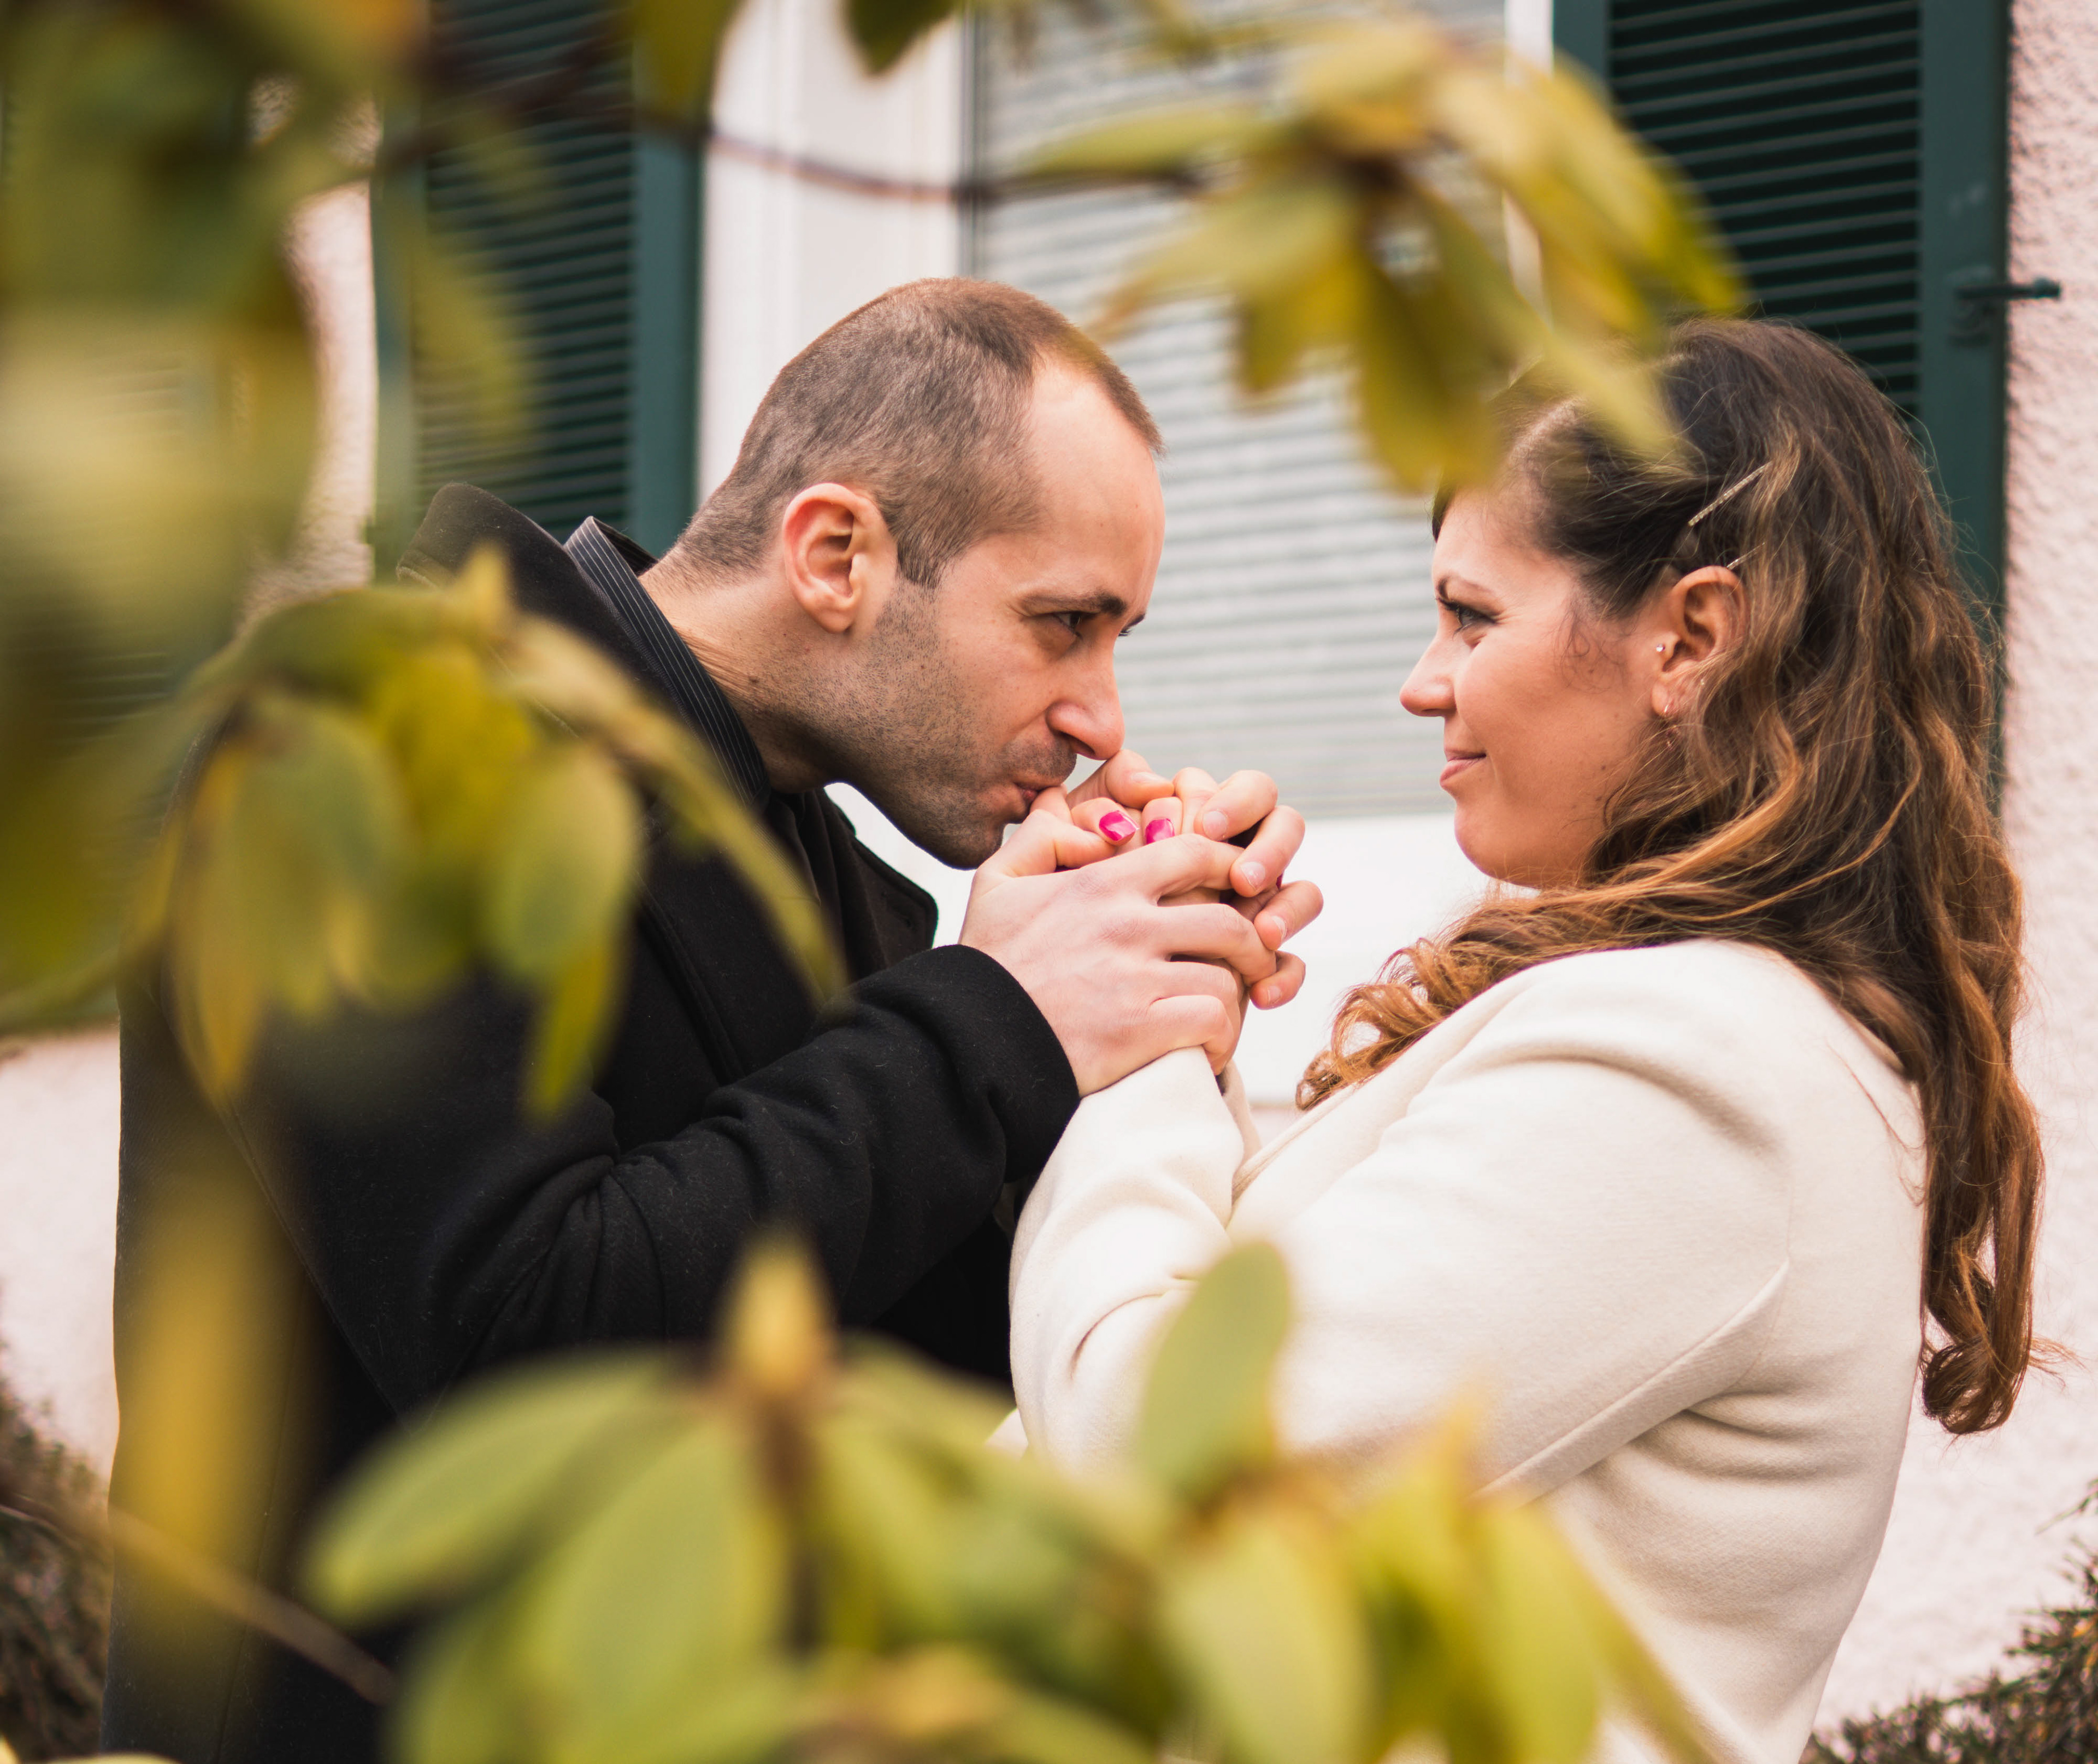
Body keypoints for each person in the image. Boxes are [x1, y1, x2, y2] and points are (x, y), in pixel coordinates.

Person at [102, 279, 1321, 1764]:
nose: (1101, 718)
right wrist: (1000, 1017)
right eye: (1062, 625)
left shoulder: (835, 874)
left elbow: (868, 1377)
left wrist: (1125, 1034)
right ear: (834, 554)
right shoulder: (367, 752)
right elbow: (517, 1343)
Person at [1005, 318, 2044, 1764]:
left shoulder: (1695, 1073)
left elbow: (1159, 1465)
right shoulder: (1677, 1026)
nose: (1422, 684)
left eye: (1471, 617)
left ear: (1687, 638)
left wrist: (1141, 1036)